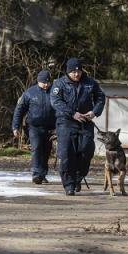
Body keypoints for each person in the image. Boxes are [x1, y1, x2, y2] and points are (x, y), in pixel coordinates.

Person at [50, 58, 105, 196]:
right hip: (66, 122)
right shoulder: (59, 84)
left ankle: (78, 177)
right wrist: (72, 113)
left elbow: (100, 98)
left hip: (85, 122)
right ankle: (69, 184)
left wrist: (94, 112)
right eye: (73, 72)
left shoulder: (90, 83)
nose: (76, 74)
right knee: (67, 154)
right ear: (68, 72)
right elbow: (56, 101)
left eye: (78, 71)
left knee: (87, 149)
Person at [12, 71, 56, 184]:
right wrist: (15, 127)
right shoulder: (29, 93)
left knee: (46, 151)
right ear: (38, 81)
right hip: (34, 127)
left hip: (51, 128)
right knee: (36, 148)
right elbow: (19, 110)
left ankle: (42, 173)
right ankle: (36, 173)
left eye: (48, 82)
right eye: (43, 82)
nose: (46, 85)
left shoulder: (55, 92)